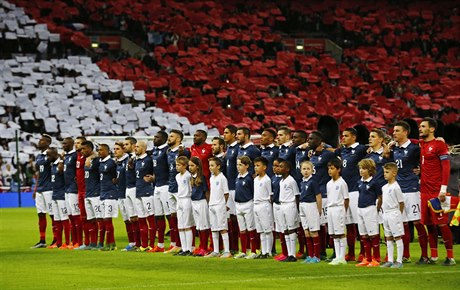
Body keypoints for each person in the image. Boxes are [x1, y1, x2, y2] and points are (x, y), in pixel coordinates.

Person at [387, 121, 427, 263]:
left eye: (397, 131)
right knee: (402, 223)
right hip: (398, 189)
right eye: (394, 131)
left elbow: (425, 162)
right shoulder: (393, 149)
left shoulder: (415, 148)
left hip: (411, 189)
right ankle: (406, 255)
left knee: (417, 222)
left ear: (405, 132)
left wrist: (421, 171)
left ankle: (425, 255)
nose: (394, 133)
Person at [418, 117, 454, 266]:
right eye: (419, 126)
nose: (420, 128)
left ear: (432, 129)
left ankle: (450, 257)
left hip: (437, 192)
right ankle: (433, 256)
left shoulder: (439, 145)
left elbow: (446, 167)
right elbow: (410, 142)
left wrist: (443, 189)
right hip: (424, 191)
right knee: (429, 225)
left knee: (442, 224)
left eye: (423, 126)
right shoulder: (421, 144)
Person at [335, 128, 368, 261]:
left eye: (346, 136)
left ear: (354, 137)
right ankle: (351, 253)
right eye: (342, 136)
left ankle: (363, 252)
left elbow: (373, 147)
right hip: (344, 191)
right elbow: (329, 150)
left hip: (355, 190)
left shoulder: (360, 149)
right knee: (348, 225)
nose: (343, 138)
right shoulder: (342, 150)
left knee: (359, 223)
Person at [307, 131, 335, 259]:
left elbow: (336, 153)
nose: (309, 141)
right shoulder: (311, 155)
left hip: (324, 193)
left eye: (312, 139)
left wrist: (327, 146)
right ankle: (322, 251)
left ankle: (336, 251)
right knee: (318, 224)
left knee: (329, 223)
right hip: (314, 193)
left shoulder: (327, 154)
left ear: (319, 141)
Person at [166, 129, 191, 253]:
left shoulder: (184, 152)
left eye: (171, 136)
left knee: (184, 219)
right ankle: (176, 243)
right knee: (173, 217)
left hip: (181, 191)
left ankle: (187, 246)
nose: (169, 138)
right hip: (170, 187)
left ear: (178, 139)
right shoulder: (169, 152)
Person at [355, 159, 382, 267]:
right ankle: (367, 258)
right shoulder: (359, 182)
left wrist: (377, 208)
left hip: (370, 208)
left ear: (370, 170)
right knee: (363, 235)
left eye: (364, 168)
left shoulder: (374, 183)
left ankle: (376, 258)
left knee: (373, 234)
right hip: (360, 209)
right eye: (360, 168)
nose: (361, 170)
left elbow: (380, 197)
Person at [205, 157, 232, 258]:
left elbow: (226, 193)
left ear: (218, 166)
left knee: (222, 228)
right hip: (212, 205)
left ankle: (227, 251)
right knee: (214, 229)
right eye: (209, 165)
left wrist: (223, 204)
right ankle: (216, 251)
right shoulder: (212, 178)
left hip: (219, 205)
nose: (210, 168)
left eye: (212, 165)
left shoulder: (222, 178)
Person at [380, 162, 405, 269]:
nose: (385, 174)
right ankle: (390, 260)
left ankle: (399, 261)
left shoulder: (396, 187)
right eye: (384, 172)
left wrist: (398, 214)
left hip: (394, 213)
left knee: (397, 237)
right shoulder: (384, 187)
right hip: (385, 214)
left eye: (387, 172)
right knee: (388, 237)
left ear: (394, 173)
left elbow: (401, 202)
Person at [31, 134, 54, 248]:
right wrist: (35, 189)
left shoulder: (51, 155)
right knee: (40, 214)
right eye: (39, 140)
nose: (39, 142)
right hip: (40, 189)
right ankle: (42, 240)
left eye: (42, 141)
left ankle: (56, 239)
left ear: (48, 143)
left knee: (53, 215)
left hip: (49, 189)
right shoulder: (39, 156)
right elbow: (39, 174)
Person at [148, 131, 169, 252]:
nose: (154, 138)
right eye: (154, 136)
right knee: (158, 216)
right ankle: (160, 245)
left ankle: (174, 243)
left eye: (157, 137)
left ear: (164, 139)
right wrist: (153, 178)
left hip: (166, 186)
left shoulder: (167, 151)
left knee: (170, 216)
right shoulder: (155, 151)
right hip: (157, 186)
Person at [298, 161, 322, 264]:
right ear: (300, 170)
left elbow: (318, 196)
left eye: (308, 169)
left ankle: (316, 256)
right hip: (302, 205)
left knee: (313, 231)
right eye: (304, 169)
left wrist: (319, 209)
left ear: (312, 170)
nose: (306, 171)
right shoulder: (302, 182)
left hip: (311, 205)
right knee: (306, 232)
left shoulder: (313, 182)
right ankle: (310, 255)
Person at [233, 156, 257, 259]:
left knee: (250, 228)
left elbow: (253, 192)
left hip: (247, 204)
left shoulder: (249, 179)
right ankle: (243, 250)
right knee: (242, 229)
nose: (238, 167)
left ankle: (253, 251)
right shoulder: (237, 177)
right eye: (237, 165)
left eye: (240, 165)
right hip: (238, 205)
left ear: (247, 166)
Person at [78, 141, 100, 250]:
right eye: (81, 149)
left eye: (84, 149)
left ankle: (101, 243)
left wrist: (92, 157)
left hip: (96, 194)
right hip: (88, 192)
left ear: (90, 149)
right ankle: (92, 243)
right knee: (90, 219)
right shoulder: (85, 159)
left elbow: (102, 155)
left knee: (99, 219)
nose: (82, 151)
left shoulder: (96, 160)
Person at [327, 158, 349, 266]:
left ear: (338, 169)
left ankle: (342, 257)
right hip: (330, 209)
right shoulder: (329, 183)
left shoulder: (342, 183)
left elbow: (346, 199)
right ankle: (337, 256)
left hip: (338, 208)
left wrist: (344, 211)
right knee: (334, 234)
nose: (330, 171)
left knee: (340, 233)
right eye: (329, 169)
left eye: (332, 168)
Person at [47, 147, 71, 249]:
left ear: (55, 154)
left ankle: (67, 242)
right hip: (54, 195)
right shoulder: (52, 165)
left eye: (49, 155)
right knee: (57, 219)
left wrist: (61, 159)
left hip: (62, 195)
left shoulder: (61, 164)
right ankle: (59, 242)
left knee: (64, 219)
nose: (47, 157)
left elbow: (61, 172)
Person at [134, 140, 155, 252]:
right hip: (138, 192)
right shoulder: (136, 161)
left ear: (143, 148)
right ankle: (144, 245)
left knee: (150, 218)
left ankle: (151, 245)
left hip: (147, 192)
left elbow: (154, 172)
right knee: (141, 219)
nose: (135, 148)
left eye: (137, 147)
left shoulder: (148, 160)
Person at [113, 142, 135, 251]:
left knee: (133, 219)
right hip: (119, 194)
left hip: (128, 193)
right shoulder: (116, 162)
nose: (115, 151)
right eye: (114, 149)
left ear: (123, 150)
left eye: (117, 149)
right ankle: (131, 243)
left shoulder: (128, 160)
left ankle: (138, 242)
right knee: (126, 220)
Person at [278, 160, 300, 262]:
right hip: (282, 204)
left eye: (281, 167)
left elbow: (296, 195)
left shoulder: (291, 181)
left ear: (287, 169)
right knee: (285, 229)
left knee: (291, 229)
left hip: (290, 205)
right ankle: (288, 253)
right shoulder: (281, 181)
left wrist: (297, 209)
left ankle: (293, 254)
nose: (279, 168)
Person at [61, 137, 81, 248]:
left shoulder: (74, 156)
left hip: (74, 189)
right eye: (62, 143)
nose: (63, 145)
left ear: (71, 144)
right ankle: (74, 241)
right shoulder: (66, 156)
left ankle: (78, 241)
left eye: (65, 143)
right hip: (67, 189)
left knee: (76, 216)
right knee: (71, 216)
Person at [223, 124, 240, 253]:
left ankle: (242, 247)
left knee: (237, 218)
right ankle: (233, 247)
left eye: (227, 132)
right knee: (230, 218)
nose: (224, 135)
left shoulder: (238, 148)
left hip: (236, 187)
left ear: (234, 134)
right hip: (229, 187)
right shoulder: (229, 148)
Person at [98, 144, 118, 251]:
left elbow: (116, 176)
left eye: (101, 150)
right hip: (103, 194)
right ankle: (112, 244)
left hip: (110, 194)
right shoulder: (100, 163)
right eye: (98, 150)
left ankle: (108, 244)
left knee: (107, 219)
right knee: (104, 220)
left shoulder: (111, 163)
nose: (99, 152)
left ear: (107, 151)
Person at [188, 157, 210, 256]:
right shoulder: (191, 178)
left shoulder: (201, 177)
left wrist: (208, 203)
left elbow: (206, 191)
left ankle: (204, 248)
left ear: (197, 166)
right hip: (194, 202)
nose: (190, 167)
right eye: (189, 165)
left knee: (204, 226)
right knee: (199, 226)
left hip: (201, 202)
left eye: (192, 165)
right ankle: (201, 246)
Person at [253, 157, 274, 259]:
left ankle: (268, 251)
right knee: (261, 230)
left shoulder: (267, 180)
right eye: (255, 166)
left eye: (258, 165)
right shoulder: (256, 179)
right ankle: (263, 250)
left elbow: (270, 194)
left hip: (264, 204)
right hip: (256, 205)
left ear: (264, 167)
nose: (256, 168)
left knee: (267, 229)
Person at [121, 137, 140, 251]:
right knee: (131, 217)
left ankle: (140, 243)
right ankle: (133, 243)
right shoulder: (128, 158)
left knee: (137, 217)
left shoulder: (137, 158)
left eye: (126, 144)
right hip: (127, 189)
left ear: (133, 145)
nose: (124, 146)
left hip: (135, 189)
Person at [174, 156, 194, 256]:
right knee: (180, 225)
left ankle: (189, 249)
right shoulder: (177, 176)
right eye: (176, 165)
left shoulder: (188, 176)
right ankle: (183, 248)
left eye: (179, 165)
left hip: (187, 199)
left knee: (187, 225)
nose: (176, 167)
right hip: (179, 200)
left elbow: (191, 188)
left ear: (185, 166)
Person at [75, 136, 91, 249]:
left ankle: (92, 241)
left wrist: (91, 157)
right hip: (79, 190)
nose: (78, 146)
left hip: (88, 191)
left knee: (91, 218)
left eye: (80, 143)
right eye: (76, 143)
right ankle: (85, 242)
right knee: (82, 217)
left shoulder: (90, 157)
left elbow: (96, 154)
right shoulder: (77, 156)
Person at [272, 158, 289, 261]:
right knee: (279, 229)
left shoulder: (285, 180)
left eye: (278, 166)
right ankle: (283, 252)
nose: (275, 168)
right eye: (274, 166)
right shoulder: (273, 178)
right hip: (275, 205)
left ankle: (287, 252)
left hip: (283, 205)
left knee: (285, 229)